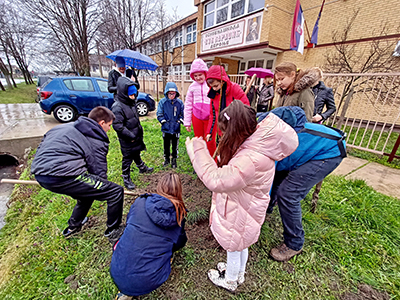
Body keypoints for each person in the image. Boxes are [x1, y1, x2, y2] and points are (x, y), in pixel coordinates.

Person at [185, 100, 298, 292]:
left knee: (233, 248)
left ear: (236, 130)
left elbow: (216, 180)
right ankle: (238, 274)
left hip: (240, 212)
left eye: (224, 132)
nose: (222, 136)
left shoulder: (251, 160)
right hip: (245, 208)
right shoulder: (256, 143)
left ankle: (229, 281)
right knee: (240, 246)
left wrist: (198, 151)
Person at [259, 106, 346, 262]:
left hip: (328, 152)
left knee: (288, 193)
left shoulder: (269, 138)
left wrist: (258, 206)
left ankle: (294, 243)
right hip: (307, 149)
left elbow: (268, 178)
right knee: (279, 176)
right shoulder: (259, 123)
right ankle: (268, 210)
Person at [31, 106, 125, 243]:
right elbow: (98, 171)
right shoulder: (96, 138)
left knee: (86, 192)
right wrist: (102, 188)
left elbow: (45, 143)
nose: (109, 129)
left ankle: (73, 226)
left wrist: (93, 187)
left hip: (40, 172)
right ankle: (113, 230)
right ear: (102, 123)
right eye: (109, 125)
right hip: (63, 174)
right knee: (115, 191)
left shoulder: (64, 127)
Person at [110, 173, 187, 299]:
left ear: (159, 187)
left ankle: (125, 293)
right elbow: (179, 243)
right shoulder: (178, 216)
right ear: (179, 191)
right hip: (149, 280)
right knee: (169, 250)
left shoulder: (141, 201)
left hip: (117, 269)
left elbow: (129, 220)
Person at [112, 77, 154, 191]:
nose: (133, 97)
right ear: (124, 93)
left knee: (136, 152)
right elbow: (117, 126)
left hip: (135, 135)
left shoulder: (131, 102)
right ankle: (126, 177)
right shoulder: (117, 107)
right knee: (127, 158)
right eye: (131, 95)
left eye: (134, 95)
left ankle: (142, 167)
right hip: (127, 138)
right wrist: (130, 136)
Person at [205, 65, 250, 147]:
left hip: (235, 131)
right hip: (221, 132)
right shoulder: (213, 94)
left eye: (216, 86)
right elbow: (213, 115)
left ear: (222, 81)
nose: (214, 89)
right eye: (212, 87)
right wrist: (210, 132)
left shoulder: (235, 89)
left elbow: (246, 110)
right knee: (221, 155)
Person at [183, 58, 215, 156]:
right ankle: (200, 160)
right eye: (195, 75)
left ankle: (212, 160)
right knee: (198, 139)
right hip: (196, 117)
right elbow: (188, 105)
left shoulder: (211, 85)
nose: (198, 77)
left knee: (209, 140)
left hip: (209, 117)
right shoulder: (192, 87)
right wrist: (187, 122)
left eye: (200, 75)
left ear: (205, 73)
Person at [157, 82, 184, 168]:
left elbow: (183, 114)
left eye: (173, 93)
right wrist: (163, 122)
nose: (171, 95)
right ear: (166, 93)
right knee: (166, 144)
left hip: (176, 128)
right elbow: (159, 113)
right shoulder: (162, 102)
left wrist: (179, 121)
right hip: (166, 128)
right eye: (170, 93)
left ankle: (174, 159)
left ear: (176, 93)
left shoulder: (179, 103)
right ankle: (167, 159)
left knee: (175, 145)